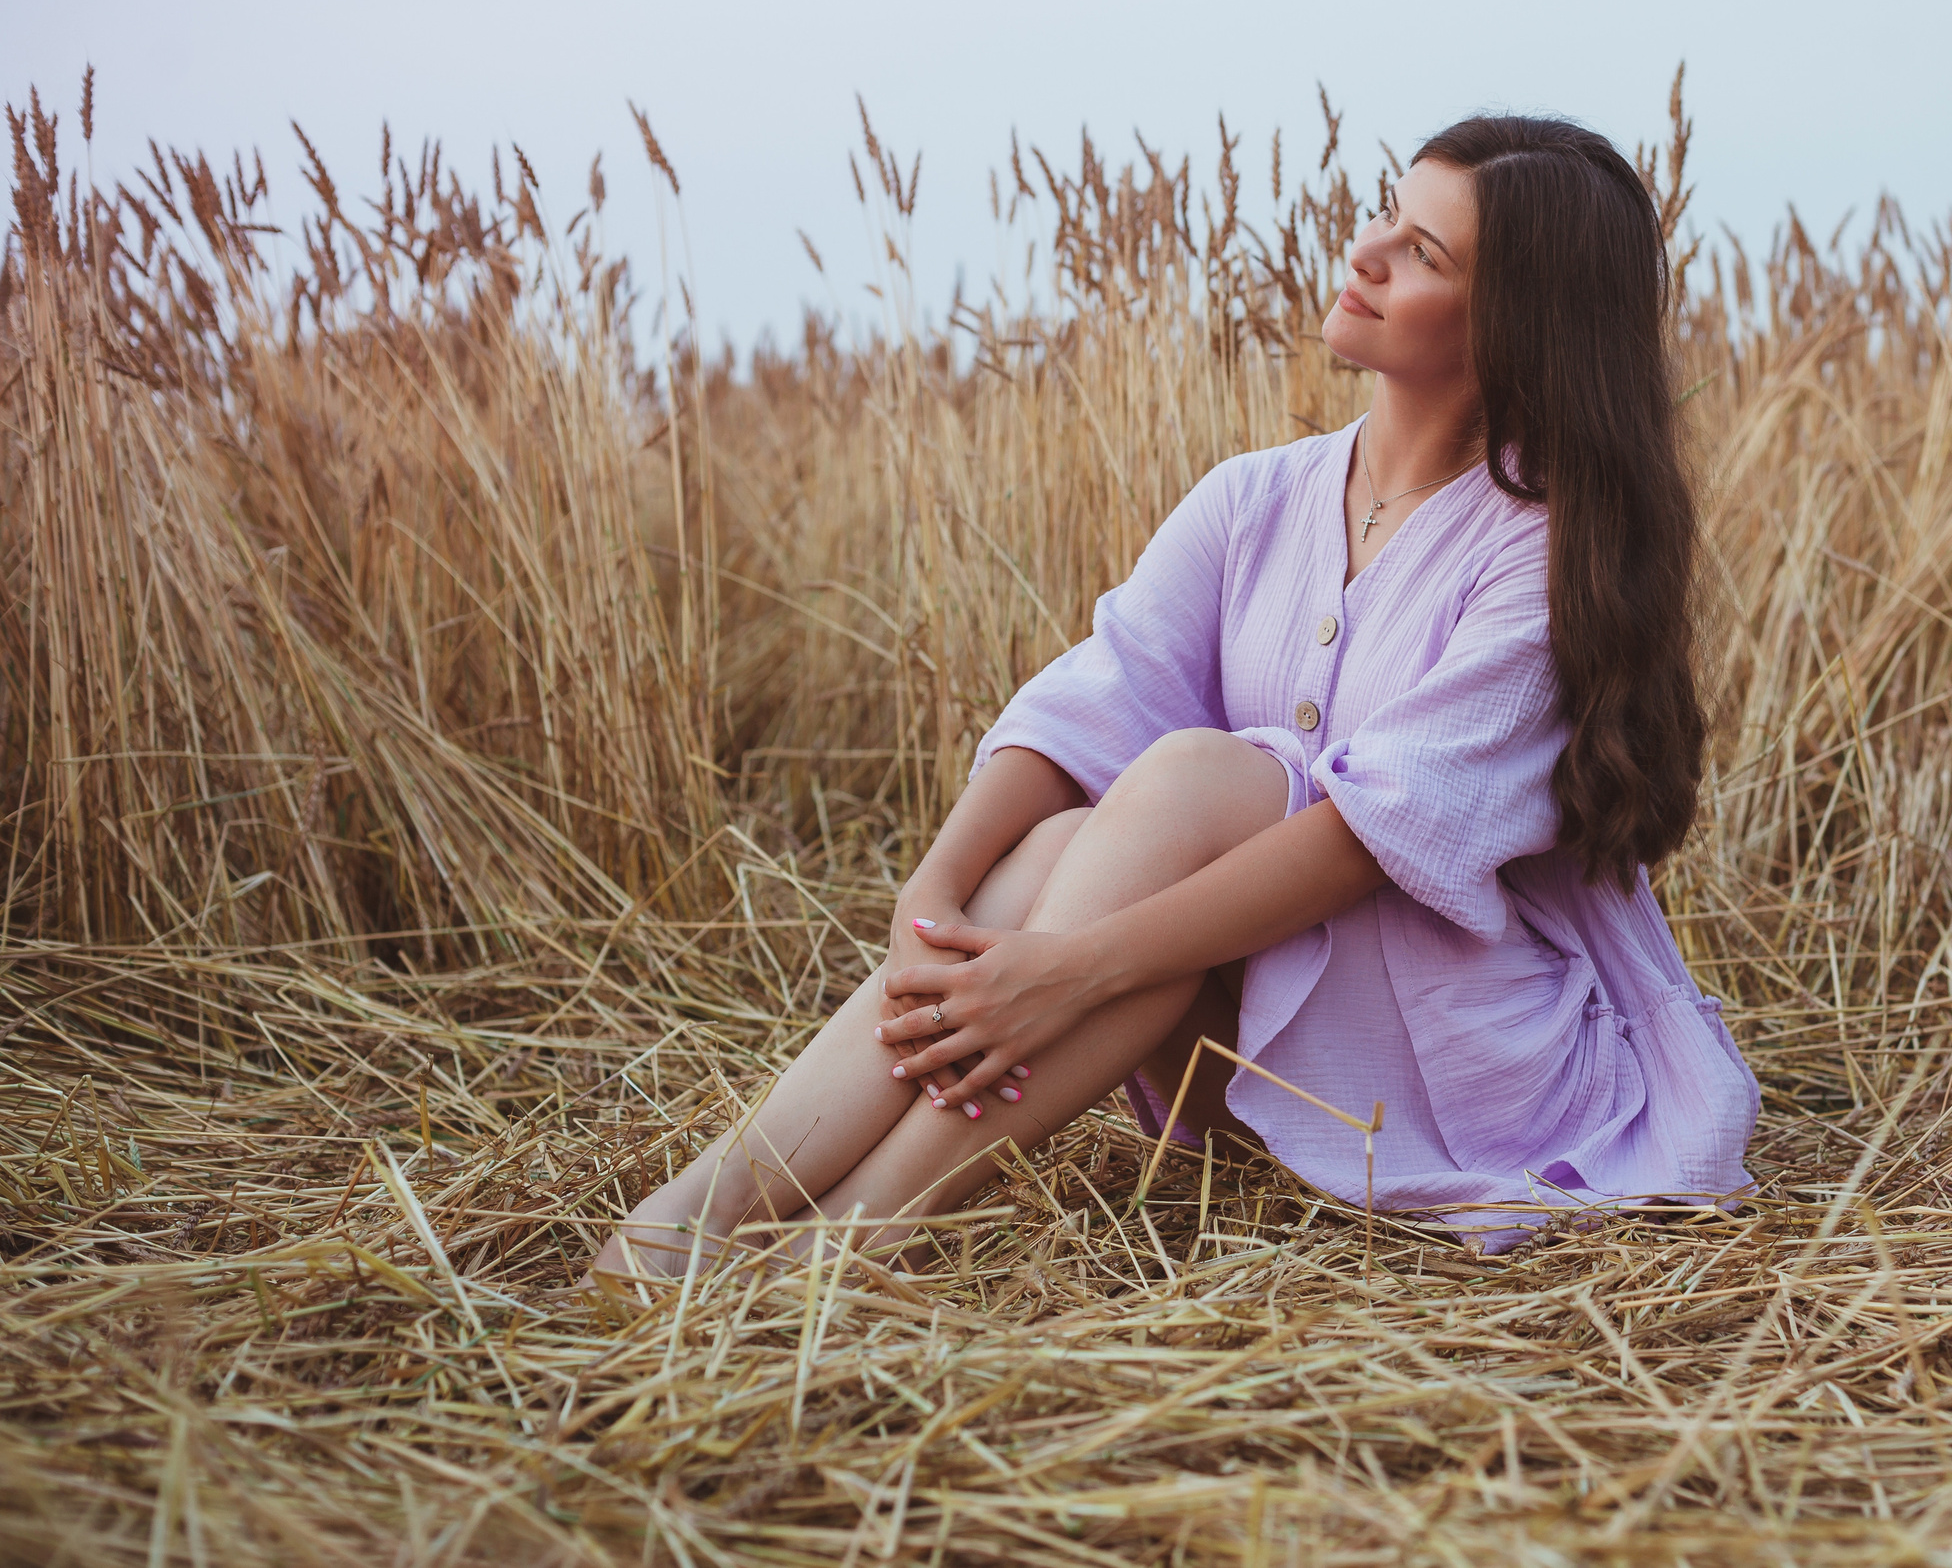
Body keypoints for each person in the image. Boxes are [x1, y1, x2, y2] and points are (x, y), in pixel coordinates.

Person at [588, 115, 1759, 1283]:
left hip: (1461, 1073)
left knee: (1202, 777)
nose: (1366, 253)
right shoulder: (1255, 498)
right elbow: (1095, 696)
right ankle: (694, 1214)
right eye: (1387, 218)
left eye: (1424, 255)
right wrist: (931, 896)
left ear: (1518, 326)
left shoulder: (1544, 554)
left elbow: (1370, 838)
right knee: (1050, 836)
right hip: (1254, 1049)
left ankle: (848, 1246)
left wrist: (1072, 971)